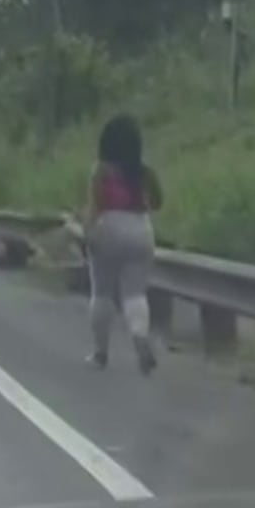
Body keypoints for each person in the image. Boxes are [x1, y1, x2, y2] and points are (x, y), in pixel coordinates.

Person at [82, 114, 163, 374]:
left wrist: (88, 232)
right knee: (135, 295)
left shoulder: (100, 171)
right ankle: (140, 336)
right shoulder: (143, 171)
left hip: (109, 226)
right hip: (141, 229)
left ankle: (100, 353)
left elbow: (95, 206)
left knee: (102, 292)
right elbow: (158, 202)